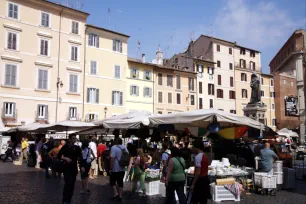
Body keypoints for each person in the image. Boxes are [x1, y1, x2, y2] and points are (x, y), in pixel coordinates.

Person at [58, 134, 82, 204]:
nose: (74, 140)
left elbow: (80, 157)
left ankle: (69, 200)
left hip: (74, 169)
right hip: (67, 168)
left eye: (75, 138)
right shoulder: (65, 147)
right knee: (67, 184)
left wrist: (81, 166)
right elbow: (59, 156)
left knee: (72, 185)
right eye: (73, 138)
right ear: (70, 139)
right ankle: (64, 200)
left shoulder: (77, 148)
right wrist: (65, 158)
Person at [190, 139, 209, 204]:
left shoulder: (198, 157)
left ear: (196, 147)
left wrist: (193, 184)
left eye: (193, 146)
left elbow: (198, 172)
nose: (192, 148)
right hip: (205, 179)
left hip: (200, 181)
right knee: (203, 200)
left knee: (195, 200)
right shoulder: (205, 155)